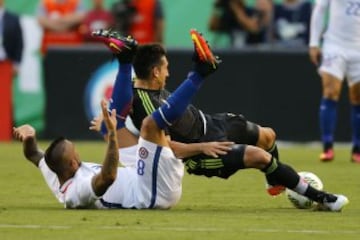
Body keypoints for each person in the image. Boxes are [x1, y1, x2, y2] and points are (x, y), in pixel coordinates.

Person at [90, 28, 349, 212]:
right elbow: (167, 148)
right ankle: (323, 199)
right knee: (260, 157)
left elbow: (123, 105)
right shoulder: (142, 105)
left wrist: (129, 58)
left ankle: (274, 180)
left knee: (267, 135)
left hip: (211, 123)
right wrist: (202, 148)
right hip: (199, 152)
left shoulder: (147, 88)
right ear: (156, 71)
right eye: (166, 68)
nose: (169, 73)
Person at [13, 32, 231, 209]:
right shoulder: (76, 192)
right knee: (149, 126)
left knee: (114, 126)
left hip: (137, 174)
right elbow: (107, 176)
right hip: (151, 194)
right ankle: (201, 72)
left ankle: (125, 59)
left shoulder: (56, 172)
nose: (79, 155)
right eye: (75, 153)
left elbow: (34, 155)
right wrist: (113, 139)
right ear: (71, 163)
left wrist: (29, 137)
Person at [309, 0, 360, 163]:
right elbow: (320, 8)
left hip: (358, 48)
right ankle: (327, 146)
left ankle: (357, 149)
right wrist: (314, 43)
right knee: (331, 91)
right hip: (335, 45)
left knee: (357, 97)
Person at [0, 0, 23, 141]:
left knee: (5, 99)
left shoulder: (12, 19)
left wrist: (17, 63)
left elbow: (19, 42)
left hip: (6, 63)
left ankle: (4, 133)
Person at [208, 0, 272, 47]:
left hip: (252, 52)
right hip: (233, 52)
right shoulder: (229, 15)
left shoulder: (251, 12)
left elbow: (253, 28)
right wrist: (217, 7)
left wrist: (236, 8)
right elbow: (212, 27)